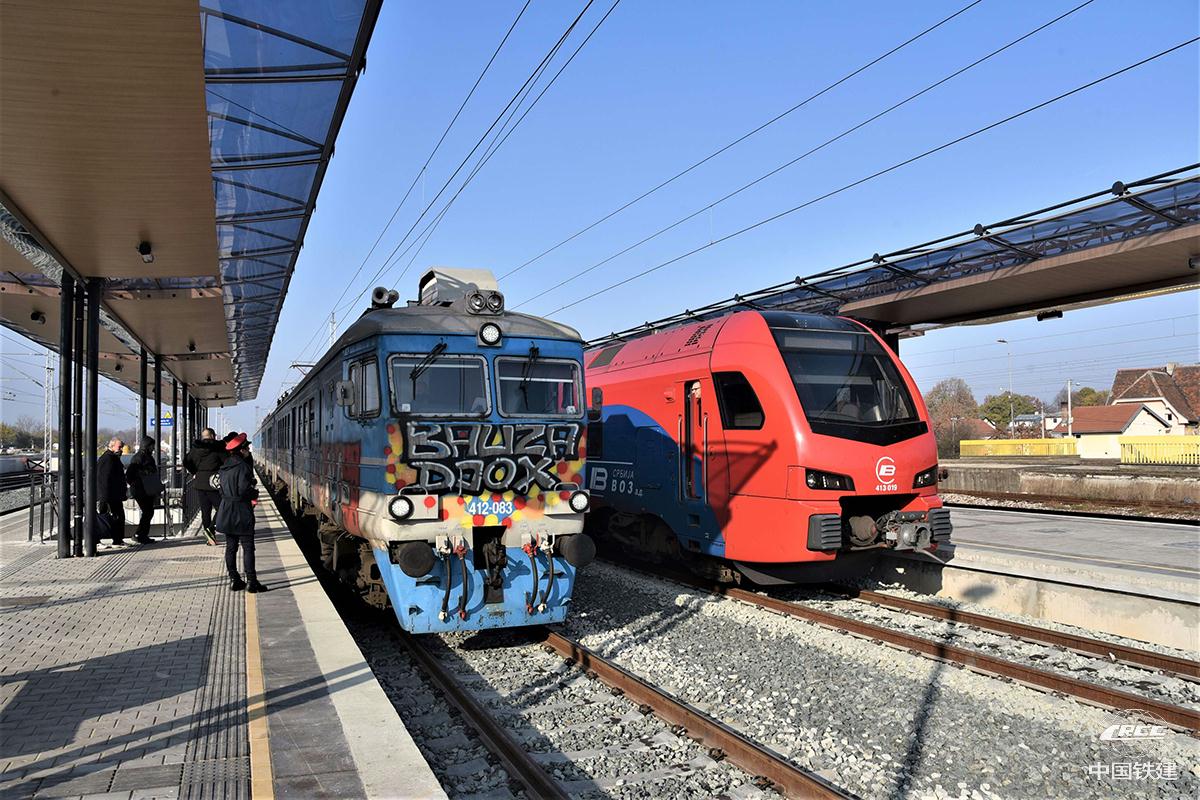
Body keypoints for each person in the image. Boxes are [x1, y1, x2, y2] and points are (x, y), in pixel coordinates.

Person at [216, 433, 267, 592]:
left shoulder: (224, 467)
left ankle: (234, 579)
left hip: (226, 510)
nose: (248, 450)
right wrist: (254, 493)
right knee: (248, 547)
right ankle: (251, 581)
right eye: (247, 448)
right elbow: (244, 490)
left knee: (231, 547)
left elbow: (221, 489)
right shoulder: (243, 467)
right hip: (241, 511)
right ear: (241, 450)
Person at [184, 427, 224, 545]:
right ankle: (211, 529)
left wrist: (194, 472)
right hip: (213, 483)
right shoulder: (217, 448)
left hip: (200, 483)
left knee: (205, 511)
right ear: (212, 436)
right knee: (222, 507)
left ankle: (210, 538)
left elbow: (186, 461)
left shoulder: (196, 449)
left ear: (203, 437)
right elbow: (226, 461)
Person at [125, 436, 160, 544]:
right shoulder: (139, 458)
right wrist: (140, 480)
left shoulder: (146, 457)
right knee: (148, 512)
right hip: (141, 490)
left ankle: (141, 535)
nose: (153, 448)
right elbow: (129, 475)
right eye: (152, 446)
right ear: (147, 446)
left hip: (146, 489)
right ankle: (140, 535)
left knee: (148, 512)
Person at [95, 437, 126, 546]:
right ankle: (98, 541)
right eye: (119, 447)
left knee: (116, 517)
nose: (121, 449)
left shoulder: (111, 458)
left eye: (122, 447)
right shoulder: (108, 459)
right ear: (112, 446)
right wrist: (104, 497)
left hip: (112, 495)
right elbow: (103, 479)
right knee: (105, 517)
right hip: (109, 495)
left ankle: (117, 540)